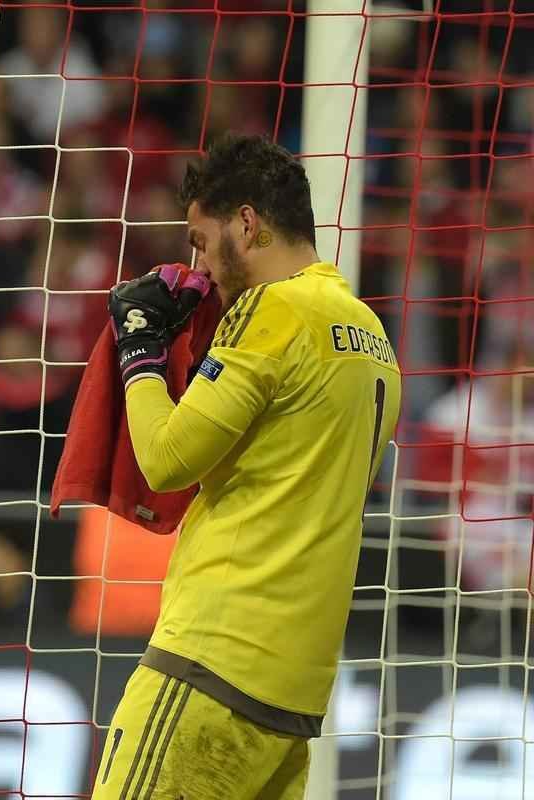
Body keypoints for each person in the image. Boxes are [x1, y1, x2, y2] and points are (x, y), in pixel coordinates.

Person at [92, 134, 402, 799]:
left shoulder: (275, 309)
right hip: (294, 695)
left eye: (201, 241)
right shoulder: (373, 337)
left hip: (214, 660)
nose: (198, 266)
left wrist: (141, 351)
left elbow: (167, 460)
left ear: (248, 223)